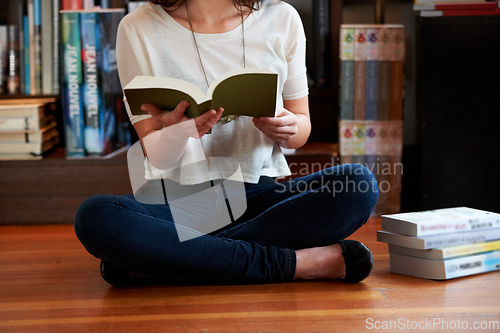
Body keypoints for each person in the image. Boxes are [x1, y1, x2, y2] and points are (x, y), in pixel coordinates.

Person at [74, 0, 379, 286]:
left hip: (259, 196)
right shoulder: (138, 26)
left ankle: (163, 262)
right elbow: (156, 154)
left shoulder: (282, 17)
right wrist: (177, 132)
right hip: (179, 205)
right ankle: (294, 264)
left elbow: (302, 126)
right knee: (97, 216)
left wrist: (287, 127)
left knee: (357, 184)